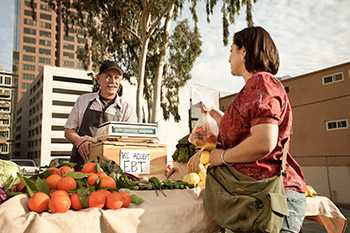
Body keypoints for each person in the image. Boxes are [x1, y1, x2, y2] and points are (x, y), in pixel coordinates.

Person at [187, 26, 306, 233]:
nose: (229, 58)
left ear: (244, 52)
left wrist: (222, 156)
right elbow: (246, 130)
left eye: (231, 50)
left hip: (269, 199)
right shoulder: (253, 89)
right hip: (256, 200)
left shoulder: (262, 83)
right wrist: (213, 115)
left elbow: (263, 142)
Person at [64, 60, 136, 168]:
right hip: (80, 164)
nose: (112, 81)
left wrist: (95, 141)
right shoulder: (83, 100)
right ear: (98, 79)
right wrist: (79, 141)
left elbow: (131, 139)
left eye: (116, 78)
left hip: (110, 168)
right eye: (108, 76)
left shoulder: (126, 108)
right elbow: (69, 131)